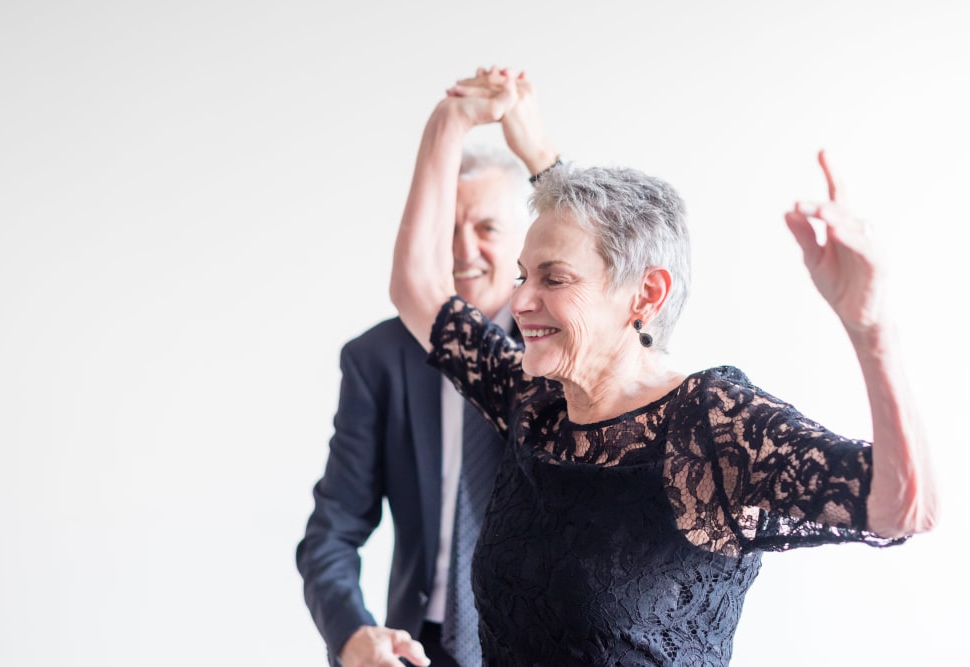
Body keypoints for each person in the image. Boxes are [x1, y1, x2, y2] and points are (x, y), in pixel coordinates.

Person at [388, 68, 938, 666]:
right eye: (523, 275)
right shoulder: (534, 403)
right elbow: (419, 289)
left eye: (553, 278)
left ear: (645, 296)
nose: (518, 300)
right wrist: (451, 120)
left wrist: (871, 327)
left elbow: (902, 507)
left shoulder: (711, 427)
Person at [296, 70, 559, 667]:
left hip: (545, 645)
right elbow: (331, 532)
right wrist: (351, 634)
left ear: (526, 241)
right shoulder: (376, 359)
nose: (464, 250)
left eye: (488, 228)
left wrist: (540, 150)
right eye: (449, 229)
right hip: (424, 645)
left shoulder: (565, 349)